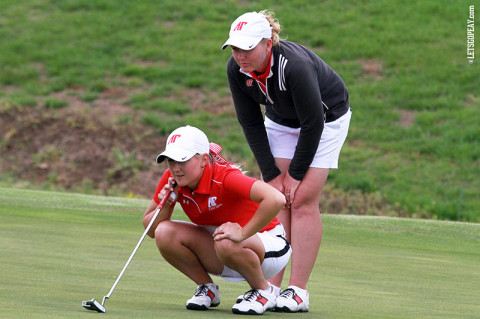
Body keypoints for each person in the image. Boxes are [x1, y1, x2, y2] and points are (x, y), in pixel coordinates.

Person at [222, 10, 352, 312]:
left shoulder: (294, 66)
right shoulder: (235, 69)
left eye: (247, 47)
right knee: (276, 199)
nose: (240, 55)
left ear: (268, 43)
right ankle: (270, 288)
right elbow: (250, 122)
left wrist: (293, 175)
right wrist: (271, 174)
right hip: (281, 120)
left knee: (303, 198)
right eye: (235, 48)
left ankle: (298, 291)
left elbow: (313, 124)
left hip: (327, 118)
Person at [143, 125, 292, 315]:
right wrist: (165, 205)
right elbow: (150, 230)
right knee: (164, 232)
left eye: (183, 160)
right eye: (171, 161)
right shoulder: (172, 179)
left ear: (204, 159)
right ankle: (207, 288)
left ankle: (263, 291)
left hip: (270, 247)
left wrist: (242, 233)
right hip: (224, 249)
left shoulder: (224, 177)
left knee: (225, 238)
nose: (176, 168)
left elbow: (276, 199)